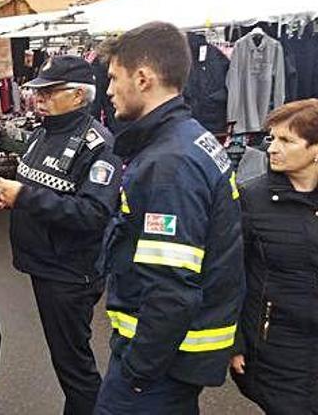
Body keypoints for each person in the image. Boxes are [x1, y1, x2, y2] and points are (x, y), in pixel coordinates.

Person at [93, 21, 244, 414]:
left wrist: (137, 372)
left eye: (113, 78)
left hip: (159, 364)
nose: (108, 91)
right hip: (173, 359)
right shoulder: (189, 138)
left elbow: (172, 288)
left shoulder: (170, 163)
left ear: (142, 78)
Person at [0, 55, 122, 415]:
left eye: (49, 92)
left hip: (70, 273)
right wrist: (12, 201)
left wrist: (24, 197)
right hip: (44, 265)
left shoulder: (98, 147)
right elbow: (41, 190)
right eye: (37, 92)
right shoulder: (43, 132)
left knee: (74, 366)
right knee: (66, 359)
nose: (38, 98)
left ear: (79, 96)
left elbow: (93, 213)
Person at [230, 99, 318, 414]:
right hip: (275, 348)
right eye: (272, 138)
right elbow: (231, 275)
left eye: (286, 140)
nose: (271, 148)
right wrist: (235, 341)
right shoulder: (252, 199)